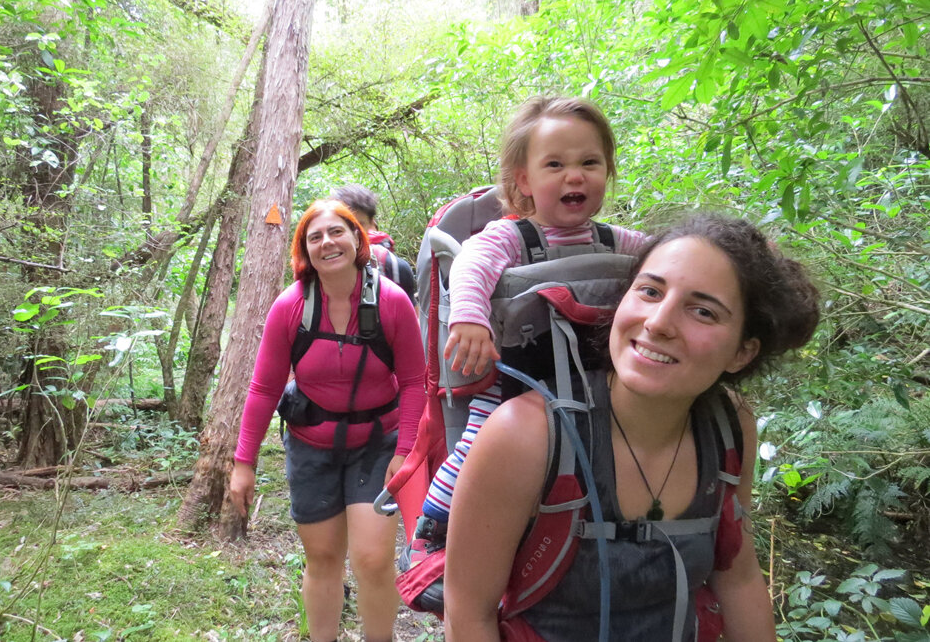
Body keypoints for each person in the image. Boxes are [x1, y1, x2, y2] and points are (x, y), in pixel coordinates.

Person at [443, 214, 820, 641]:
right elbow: (468, 615)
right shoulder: (526, 436)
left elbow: (737, 576)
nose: (658, 322)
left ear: (742, 352)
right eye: (650, 291)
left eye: (702, 311)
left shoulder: (730, 426)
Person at [410, 96, 646, 557]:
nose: (574, 175)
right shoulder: (511, 237)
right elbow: (471, 266)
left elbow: (669, 259)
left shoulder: (619, 240)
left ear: (608, 171)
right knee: (479, 447)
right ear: (525, 180)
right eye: (555, 164)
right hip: (513, 382)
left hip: (594, 384)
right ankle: (436, 528)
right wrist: (471, 317)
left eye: (590, 162)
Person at [230, 199, 426, 642]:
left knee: (374, 558)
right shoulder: (291, 306)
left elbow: (415, 382)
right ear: (305, 250)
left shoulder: (391, 302)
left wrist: (405, 452)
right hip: (311, 446)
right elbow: (264, 388)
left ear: (358, 238)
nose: (327, 242)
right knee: (322, 558)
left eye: (337, 231)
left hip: (378, 444)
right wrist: (244, 463)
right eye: (314, 237)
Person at [332, 184, 417, 305]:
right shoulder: (320, 270)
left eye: (359, 226)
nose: (353, 235)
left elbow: (413, 320)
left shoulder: (395, 268)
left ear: (372, 225)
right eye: (343, 227)